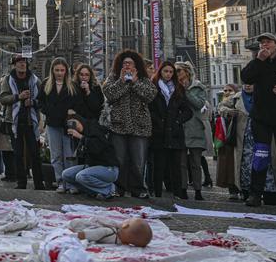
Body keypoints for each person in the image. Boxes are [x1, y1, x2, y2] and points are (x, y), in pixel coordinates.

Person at [240, 33, 276, 209]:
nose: (265, 45)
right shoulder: (257, 64)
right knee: (261, 155)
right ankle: (255, 194)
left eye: (268, 42)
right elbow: (246, 78)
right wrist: (258, 60)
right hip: (262, 118)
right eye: (262, 43)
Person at [102, 49, 155, 199]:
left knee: (138, 161)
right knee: (120, 160)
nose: (127, 66)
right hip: (119, 126)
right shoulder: (113, 78)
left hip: (140, 126)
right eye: (124, 63)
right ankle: (119, 188)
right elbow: (109, 94)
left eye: (130, 63)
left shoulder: (143, 79)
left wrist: (135, 82)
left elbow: (150, 95)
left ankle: (138, 188)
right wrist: (122, 82)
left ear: (136, 65)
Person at [0, 54, 45, 190]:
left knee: (35, 153)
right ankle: (21, 183)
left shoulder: (35, 80)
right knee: (17, 154)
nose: (22, 64)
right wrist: (18, 97)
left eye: (24, 61)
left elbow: (42, 101)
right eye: (19, 62)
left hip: (31, 121)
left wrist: (33, 102)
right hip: (14, 121)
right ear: (14, 65)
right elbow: (3, 99)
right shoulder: (8, 80)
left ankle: (39, 183)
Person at [148, 61, 193, 199]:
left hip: (174, 132)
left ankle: (178, 193)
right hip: (159, 132)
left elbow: (188, 111)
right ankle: (157, 193)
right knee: (159, 165)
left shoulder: (178, 88)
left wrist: (178, 120)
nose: (168, 74)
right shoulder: (154, 86)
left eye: (171, 72)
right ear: (160, 72)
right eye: (165, 71)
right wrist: (158, 121)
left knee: (176, 165)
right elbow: (150, 108)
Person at [37, 57, 76, 191]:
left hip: (67, 125)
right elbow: (40, 102)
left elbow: (77, 104)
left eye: (62, 70)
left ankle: (70, 183)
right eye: (57, 70)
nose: (59, 73)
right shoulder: (46, 84)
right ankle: (60, 181)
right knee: (56, 155)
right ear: (52, 71)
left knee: (69, 155)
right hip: (53, 124)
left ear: (66, 71)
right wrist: (49, 111)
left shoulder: (72, 86)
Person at [61, 115, 120, 200]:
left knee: (81, 176)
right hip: (92, 167)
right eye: (69, 124)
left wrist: (81, 137)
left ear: (80, 120)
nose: (74, 126)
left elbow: (98, 147)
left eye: (74, 123)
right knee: (66, 174)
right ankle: (95, 191)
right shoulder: (79, 135)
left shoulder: (94, 128)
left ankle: (109, 189)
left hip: (108, 168)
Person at [175, 62, 210, 201]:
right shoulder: (173, 87)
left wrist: (186, 91)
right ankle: (183, 189)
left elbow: (199, 104)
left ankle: (198, 190)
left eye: (178, 71)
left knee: (196, 162)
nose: (176, 73)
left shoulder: (198, 87)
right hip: (180, 128)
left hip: (195, 127)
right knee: (181, 162)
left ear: (186, 72)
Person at [215, 84, 242, 201]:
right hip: (226, 139)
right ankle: (232, 189)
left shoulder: (239, 100)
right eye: (225, 90)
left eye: (230, 90)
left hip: (237, 137)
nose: (227, 92)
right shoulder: (223, 105)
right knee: (228, 166)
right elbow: (221, 108)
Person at [68, 216, 153, 247]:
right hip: (91, 227)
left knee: (78, 222)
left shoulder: (109, 232)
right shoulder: (121, 242)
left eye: (128, 220)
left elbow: (90, 234)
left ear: (125, 226)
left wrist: (71, 235)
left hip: (77, 227)